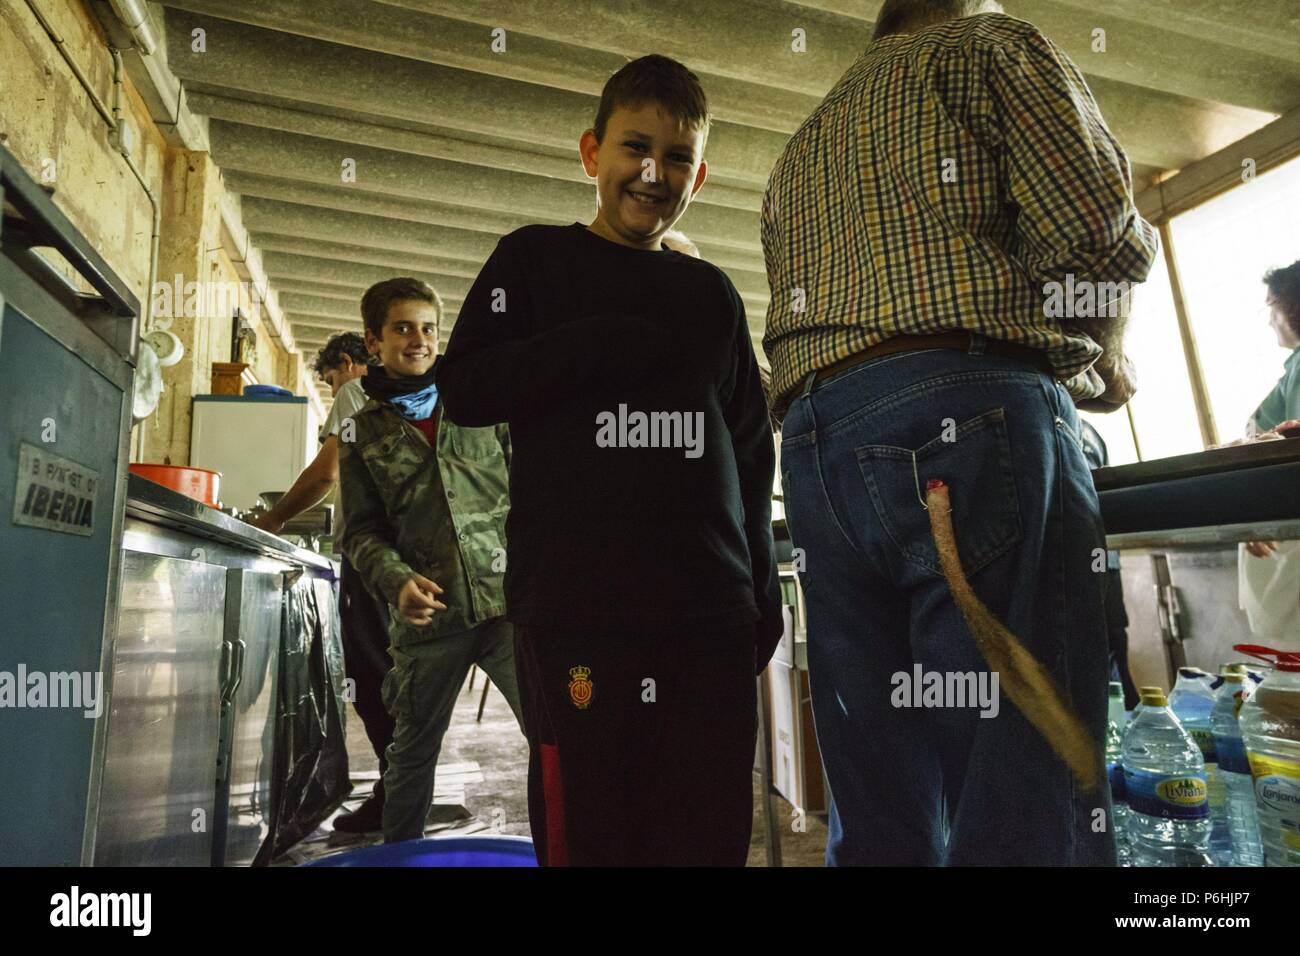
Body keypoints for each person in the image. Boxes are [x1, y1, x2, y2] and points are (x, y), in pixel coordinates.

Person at [761, 0, 1157, 865]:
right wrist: (1106, 354)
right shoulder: (989, 41)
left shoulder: (802, 143)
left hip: (819, 452)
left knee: (878, 799)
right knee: (1020, 778)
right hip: (966, 418)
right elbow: (1093, 237)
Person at [437, 54, 783, 866]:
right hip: (578, 612)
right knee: (593, 836)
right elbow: (467, 388)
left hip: (709, 617)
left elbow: (749, 449)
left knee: (705, 836)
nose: (653, 174)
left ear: (699, 177)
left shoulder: (712, 296)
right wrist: (588, 345)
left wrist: (760, 593)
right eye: (635, 148)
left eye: (677, 159)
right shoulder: (529, 262)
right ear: (592, 153)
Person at [337, 277, 524, 843]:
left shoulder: (481, 403)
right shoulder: (360, 430)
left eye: (427, 328)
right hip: (430, 622)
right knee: (410, 760)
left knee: (556, 735)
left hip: (508, 608)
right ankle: (401, 860)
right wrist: (395, 582)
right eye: (402, 329)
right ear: (373, 341)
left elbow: (533, 490)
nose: (418, 340)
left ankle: (571, 851)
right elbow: (361, 531)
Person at [252, 332, 394, 832]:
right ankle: (397, 792)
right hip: (405, 558)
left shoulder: (357, 391)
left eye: (331, 381)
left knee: (371, 673)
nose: (335, 392)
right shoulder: (408, 392)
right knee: (392, 672)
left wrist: (271, 519)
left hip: (371, 556)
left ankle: (394, 797)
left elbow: (324, 474)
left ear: (349, 363)